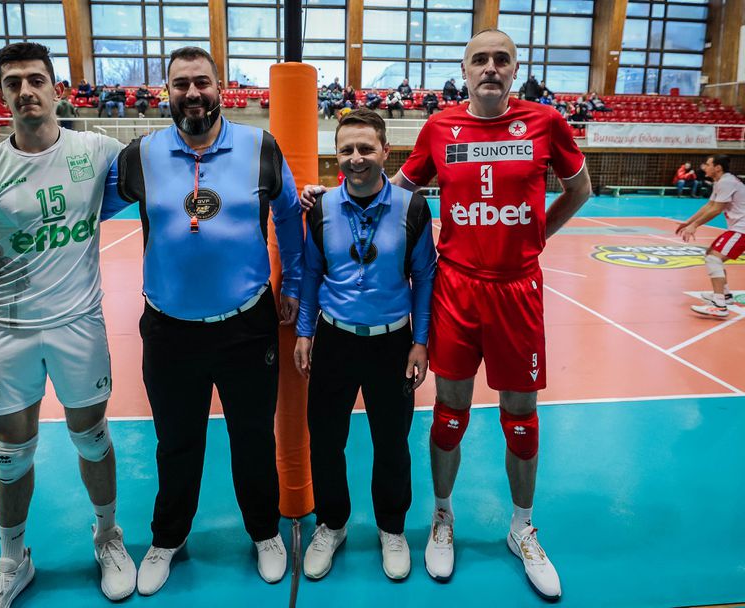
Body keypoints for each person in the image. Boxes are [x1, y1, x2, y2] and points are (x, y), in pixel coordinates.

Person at [301, 28, 592, 600]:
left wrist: (536, 237)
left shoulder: (546, 122)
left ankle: (522, 528)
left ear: (515, 68)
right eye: (479, 59)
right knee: (449, 412)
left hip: (518, 290)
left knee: (521, 416)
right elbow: (387, 190)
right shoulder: (439, 128)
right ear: (464, 69)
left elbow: (579, 190)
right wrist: (327, 194)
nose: (490, 67)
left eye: (501, 59)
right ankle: (441, 517)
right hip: (456, 289)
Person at [0, 42, 136, 607]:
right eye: (13, 82)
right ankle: (12, 560)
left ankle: (107, 536)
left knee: (92, 438)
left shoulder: (97, 151)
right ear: (1, 94)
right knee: (11, 452)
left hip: (79, 325)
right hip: (9, 330)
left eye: (36, 80)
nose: (26, 91)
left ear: (56, 88)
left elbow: (168, 177)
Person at [100, 45, 303, 596]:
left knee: (252, 438)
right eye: (181, 84)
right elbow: (88, 207)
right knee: (176, 442)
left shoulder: (260, 147)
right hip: (170, 330)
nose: (192, 93)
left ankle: (264, 532)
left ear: (220, 89)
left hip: (247, 326)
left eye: (202, 82)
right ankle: (167, 538)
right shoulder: (140, 156)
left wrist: (293, 287)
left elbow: (289, 216)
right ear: (167, 92)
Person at [294, 109, 435, 582]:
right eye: (346, 150)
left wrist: (420, 341)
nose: (356, 158)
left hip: (392, 344)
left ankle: (391, 528)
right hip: (334, 340)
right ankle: (331, 525)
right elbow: (311, 273)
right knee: (326, 440)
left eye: (366, 149)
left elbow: (425, 276)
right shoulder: (320, 208)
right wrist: (305, 332)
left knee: (391, 443)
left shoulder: (413, 208)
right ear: (336, 155)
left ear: (385, 152)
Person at [677, 154, 744, 318]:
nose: (704, 167)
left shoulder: (727, 182)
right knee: (711, 254)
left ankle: (719, 305)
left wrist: (695, 226)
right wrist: (689, 222)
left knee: (714, 258)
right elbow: (710, 205)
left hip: (742, 228)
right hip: (738, 227)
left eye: (708, 164)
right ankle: (725, 296)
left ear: (718, 167)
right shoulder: (721, 181)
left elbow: (716, 209)